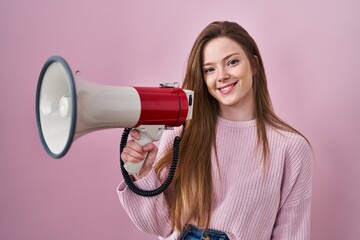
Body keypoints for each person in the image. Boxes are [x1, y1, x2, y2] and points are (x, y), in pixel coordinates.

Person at [118, 21, 313, 240]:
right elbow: (161, 226)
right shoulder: (181, 135)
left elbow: (291, 234)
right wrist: (143, 174)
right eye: (210, 69)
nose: (222, 76)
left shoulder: (291, 148)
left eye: (232, 62)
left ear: (254, 65)